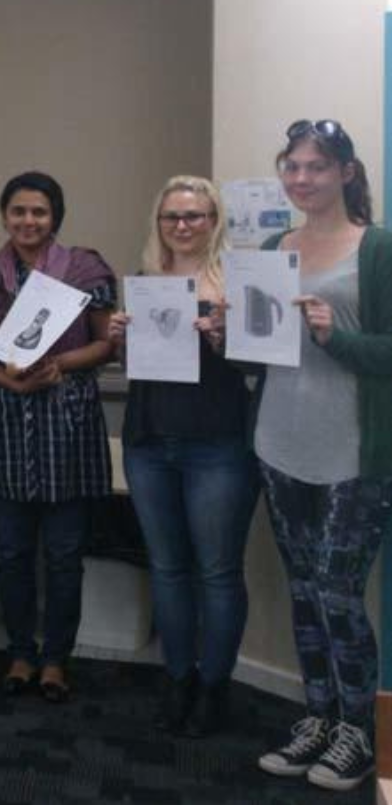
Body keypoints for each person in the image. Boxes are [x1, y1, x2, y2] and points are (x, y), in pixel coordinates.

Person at [253, 121, 392, 792]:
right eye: (292, 166)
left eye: (316, 166)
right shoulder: (273, 246)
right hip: (279, 440)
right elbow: (262, 349)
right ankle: (318, 717)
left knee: (339, 592)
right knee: (304, 589)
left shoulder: (380, 248)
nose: (302, 178)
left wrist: (340, 335)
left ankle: (360, 731)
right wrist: (228, 333)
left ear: (345, 172)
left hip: (352, 451)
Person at [0, 171, 115, 704]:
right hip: (5, 416)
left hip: (67, 420)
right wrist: (9, 380)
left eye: (39, 212)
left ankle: (56, 659)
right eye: (19, 211)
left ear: (56, 218)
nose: (29, 221)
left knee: (66, 553)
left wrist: (58, 365)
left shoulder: (87, 268)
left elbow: (106, 344)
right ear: (4, 215)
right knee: (12, 552)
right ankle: (21, 651)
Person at [109, 176, 253, 737]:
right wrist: (121, 341)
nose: (184, 225)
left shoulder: (236, 283)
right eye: (173, 216)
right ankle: (178, 678)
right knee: (167, 569)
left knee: (217, 571)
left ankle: (214, 684)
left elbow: (259, 364)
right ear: (159, 223)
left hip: (216, 443)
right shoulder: (145, 281)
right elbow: (138, 371)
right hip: (149, 442)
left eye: (195, 216)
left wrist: (225, 335)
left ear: (215, 222)